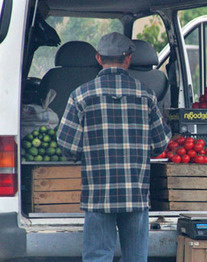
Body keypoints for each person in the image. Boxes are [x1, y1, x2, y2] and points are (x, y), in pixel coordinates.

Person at [56, 32, 171, 262]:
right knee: (136, 258)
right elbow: (160, 143)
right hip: (135, 195)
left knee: (98, 257)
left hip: (98, 195)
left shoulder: (81, 96)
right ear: (128, 58)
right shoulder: (146, 95)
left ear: (99, 58)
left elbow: (67, 145)